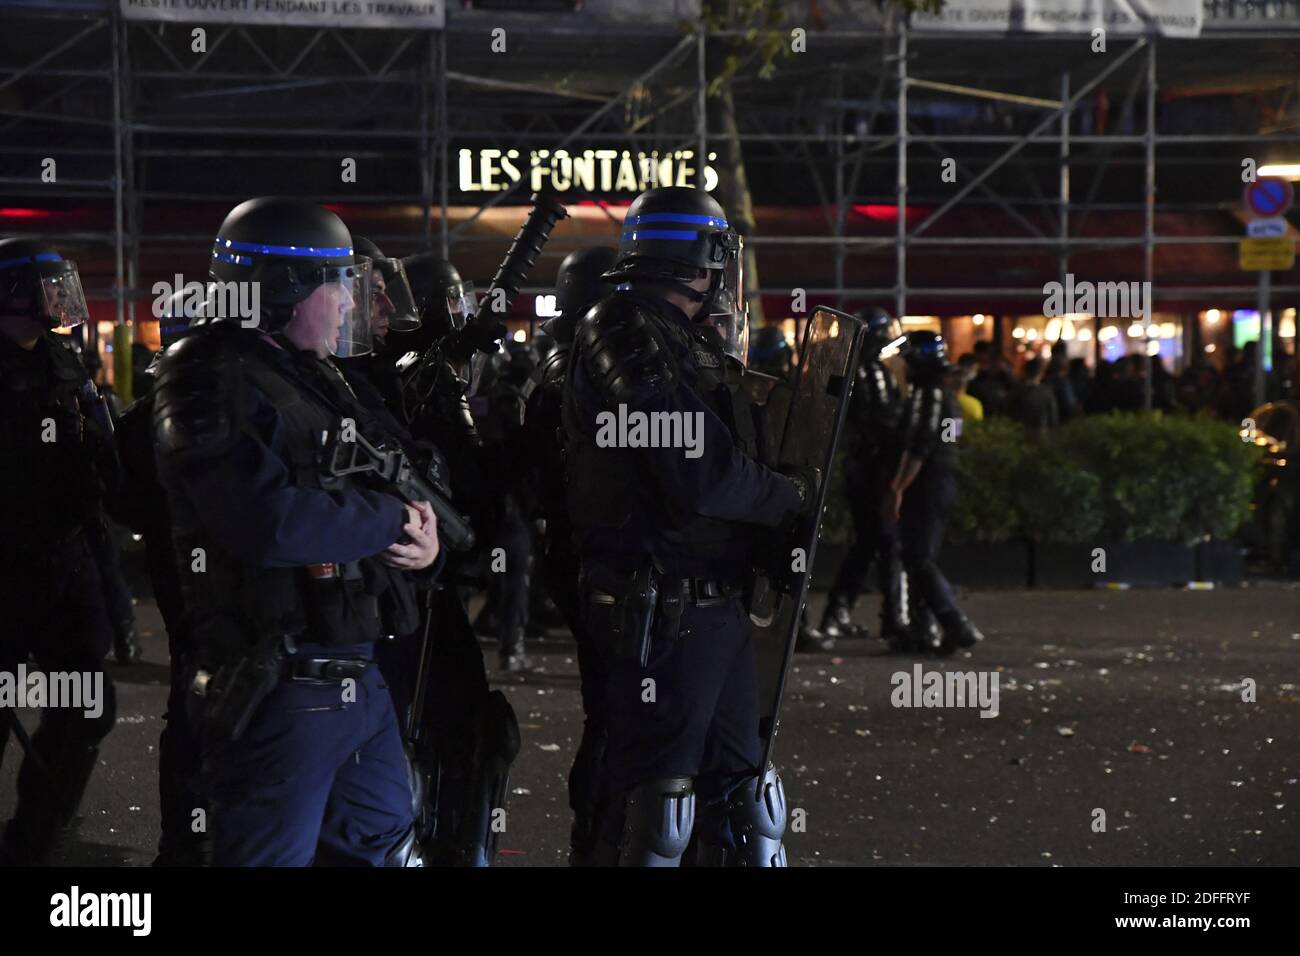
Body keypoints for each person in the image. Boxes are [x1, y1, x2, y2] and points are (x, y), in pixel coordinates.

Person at [152, 198, 441, 866]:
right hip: (277, 680)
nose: (347, 302)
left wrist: (423, 542)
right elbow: (268, 523)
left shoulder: (313, 375)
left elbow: (407, 474)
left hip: (354, 672)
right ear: (280, 290)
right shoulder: (205, 375)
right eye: (334, 283)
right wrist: (391, 521)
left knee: (385, 847)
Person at [562, 186, 807, 866]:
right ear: (703, 257)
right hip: (663, 600)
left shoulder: (673, 337)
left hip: (710, 595)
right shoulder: (623, 330)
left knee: (744, 791)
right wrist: (786, 497)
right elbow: (703, 471)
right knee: (659, 802)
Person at [0, 237, 119, 864]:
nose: (60, 297)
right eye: (49, 286)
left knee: (87, 708)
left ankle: (33, 837)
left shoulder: (64, 360)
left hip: (63, 566)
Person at [523, 245, 616, 862]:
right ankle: (601, 837)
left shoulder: (557, 367)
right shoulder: (580, 373)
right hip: (595, 560)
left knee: (609, 712)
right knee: (618, 720)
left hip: (571, 553)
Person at [808, 307, 911, 651]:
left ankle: (838, 614)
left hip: (861, 468)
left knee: (868, 543)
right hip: (874, 470)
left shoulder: (847, 374)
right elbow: (884, 424)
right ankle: (894, 621)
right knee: (887, 543)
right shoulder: (869, 375)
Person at [885, 330, 983, 655]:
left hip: (926, 482)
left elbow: (920, 444)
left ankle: (955, 623)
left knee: (917, 556)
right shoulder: (947, 395)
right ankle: (926, 630)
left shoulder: (928, 394)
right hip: (942, 479)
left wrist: (898, 487)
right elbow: (953, 435)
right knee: (921, 554)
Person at [1008, 356, 1059, 440]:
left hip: (1019, 433)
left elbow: (1009, 412)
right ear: (1041, 372)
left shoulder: (1017, 390)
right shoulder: (1046, 392)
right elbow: (1053, 417)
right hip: (1040, 434)